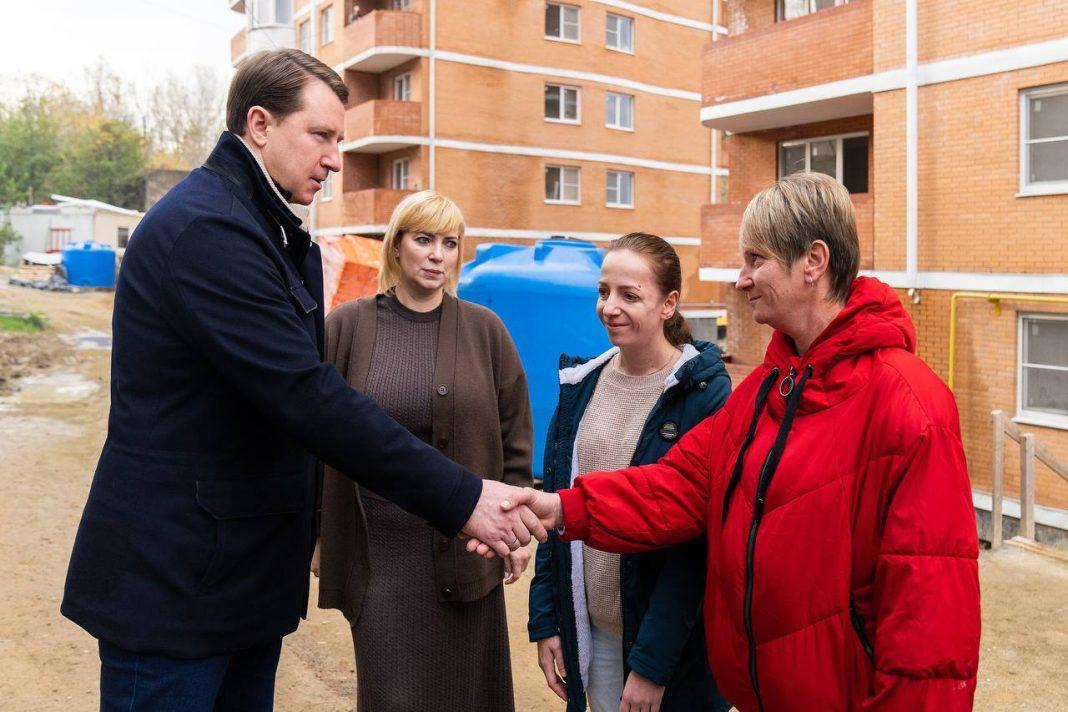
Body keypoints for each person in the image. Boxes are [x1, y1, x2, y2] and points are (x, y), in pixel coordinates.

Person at [60, 49, 543, 711]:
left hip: (231, 583)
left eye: (340, 140)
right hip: (177, 592)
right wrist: (464, 498)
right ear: (259, 124)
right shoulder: (211, 232)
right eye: (321, 136)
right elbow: (309, 398)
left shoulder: (260, 226)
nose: (336, 158)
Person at [490, 173, 982, 710]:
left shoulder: (909, 404)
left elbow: (930, 628)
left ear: (812, 262)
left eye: (756, 259)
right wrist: (560, 506)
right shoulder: (767, 392)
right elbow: (676, 487)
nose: (742, 279)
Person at [314, 190, 533, 711]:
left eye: (450, 243)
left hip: (466, 553)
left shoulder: (486, 331)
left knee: (468, 695)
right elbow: (315, 437)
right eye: (424, 239)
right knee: (396, 695)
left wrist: (519, 529)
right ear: (397, 246)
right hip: (379, 559)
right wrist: (318, 533)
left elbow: (516, 439)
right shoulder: (347, 328)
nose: (438, 254)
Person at [527, 233, 732, 712]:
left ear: (669, 304)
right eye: (603, 292)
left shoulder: (703, 397)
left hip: (669, 650)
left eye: (629, 295)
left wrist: (652, 663)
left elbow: (697, 547)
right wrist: (548, 620)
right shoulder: (581, 385)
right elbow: (557, 510)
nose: (609, 307)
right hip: (591, 634)